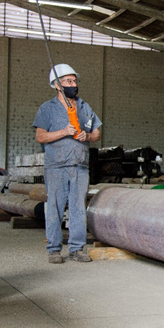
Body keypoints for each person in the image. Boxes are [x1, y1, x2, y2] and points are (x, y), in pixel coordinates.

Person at [33, 64, 102, 264]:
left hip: (80, 165)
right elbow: (40, 136)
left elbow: (97, 132)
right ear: (57, 85)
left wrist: (87, 135)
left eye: (75, 81)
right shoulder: (47, 109)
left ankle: (76, 249)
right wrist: (64, 131)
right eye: (69, 81)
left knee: (78, 208)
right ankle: (54, 249)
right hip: (56, 166)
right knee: (54, 208)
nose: (74, 85)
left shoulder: (84, 106)